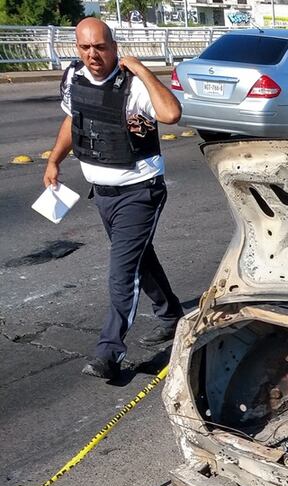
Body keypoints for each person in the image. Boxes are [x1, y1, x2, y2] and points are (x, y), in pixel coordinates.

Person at [43, 17, 184, 381]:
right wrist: (54, 159)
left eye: (100, 47)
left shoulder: (133, 84)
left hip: (140, 191)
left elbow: (171, 114)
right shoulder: (73, 79)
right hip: (103, 193)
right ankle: (170, 314)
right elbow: (72, 122)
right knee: (139, 258)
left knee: (122, 271)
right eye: (85, 47)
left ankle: (109, 351)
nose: (93, 54)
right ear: (77, 48)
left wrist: (141, 68)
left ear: (114, 46)